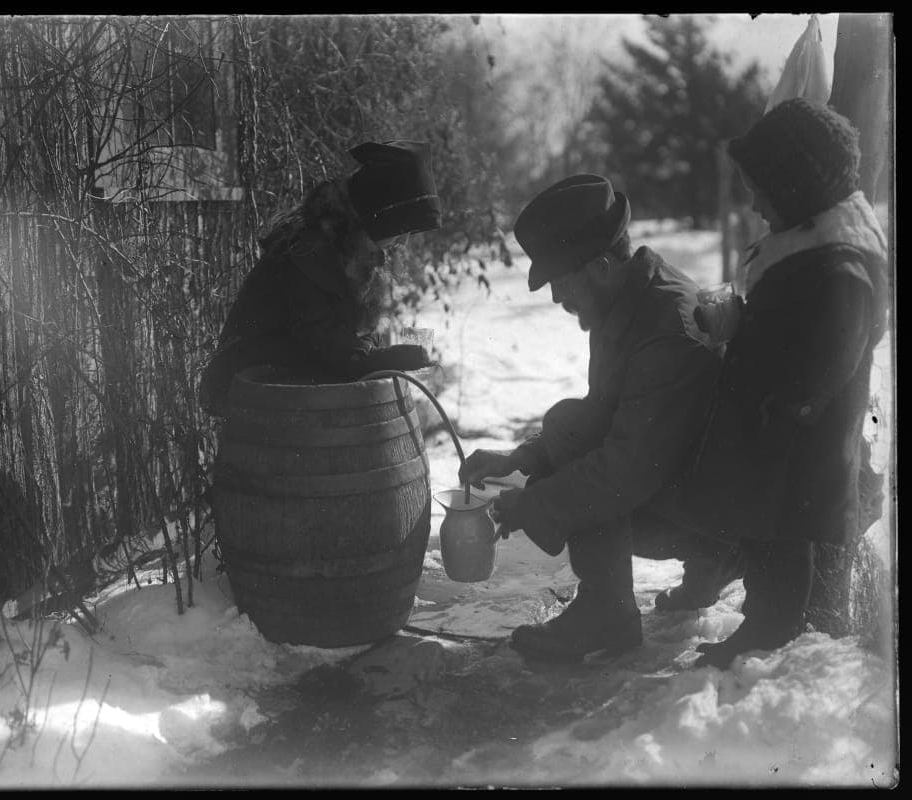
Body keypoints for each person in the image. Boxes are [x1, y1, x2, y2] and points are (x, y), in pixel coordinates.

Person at [459, 174, 739, 660]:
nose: (554, 298)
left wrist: (534, 503)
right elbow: (609, 415)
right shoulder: (628, 302)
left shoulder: (664, 327)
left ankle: (607, 613)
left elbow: (627, 469)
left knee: (570, 437)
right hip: (699, 482)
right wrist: (518, 458)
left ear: (603, 266)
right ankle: (706, 568)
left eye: (560, 281)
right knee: (569, 427)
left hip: (726, 514)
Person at [670, 98, 889, 669]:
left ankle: (772, 628)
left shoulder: (838, 262)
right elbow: (792, 320)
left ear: (797, 188)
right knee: (768, 530)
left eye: (761, 188)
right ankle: (770, 619)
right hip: (781, 428)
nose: (752, 202)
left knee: (782, 534)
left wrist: (787, 404)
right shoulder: (812, 243)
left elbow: (834, 348)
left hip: (799, 434)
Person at [198, 140, 442, 416]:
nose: (404, 241)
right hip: (253, 393)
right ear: (377, 218)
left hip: (291, 393)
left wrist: (378, 353)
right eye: (401, 229)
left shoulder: (350, 251)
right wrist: (382, 359)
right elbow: (323, 341)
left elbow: (349, 339)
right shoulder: (307, 252)